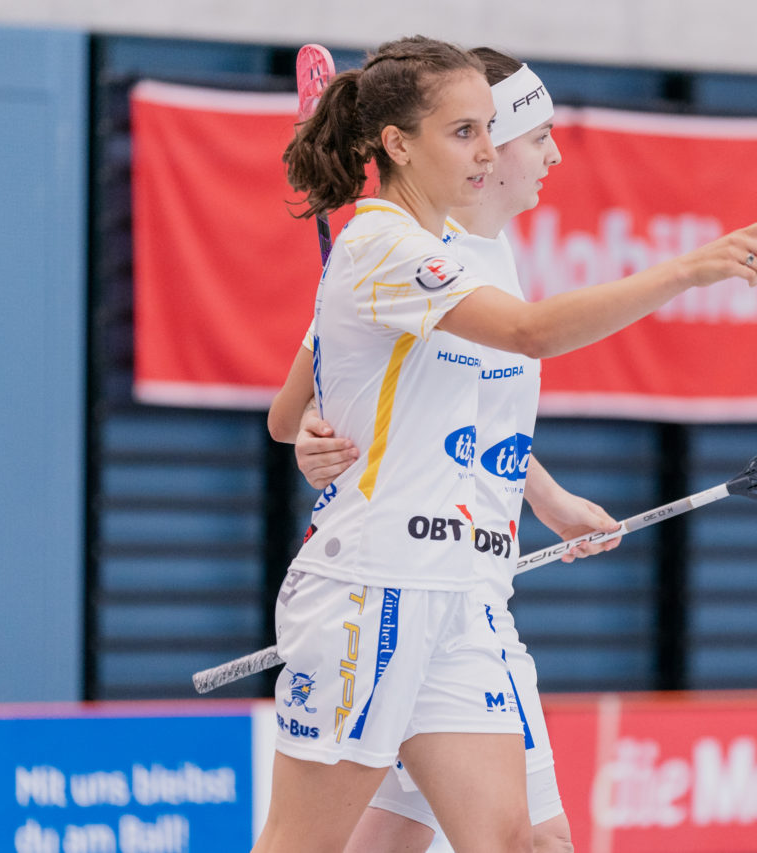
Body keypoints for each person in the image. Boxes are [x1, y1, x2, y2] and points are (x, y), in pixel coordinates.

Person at [258, 34, 757, 853]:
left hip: (459, 597)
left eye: (488, 129)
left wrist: (544, 496)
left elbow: (410, 408)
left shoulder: (455, 253)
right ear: (399, 143)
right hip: (374, 585)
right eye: (466, 132)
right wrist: (686, 271)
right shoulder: (379, 246)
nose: (492, 149)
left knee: (523, 843)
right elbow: (529, 333)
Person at [268, 49, 617, 853]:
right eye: (531, 135)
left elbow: (461, 416)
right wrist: (316, 428)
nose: (549, 155)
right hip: (392, 581)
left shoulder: (491, 254)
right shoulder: (407, 251)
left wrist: (547, 497)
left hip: (466, 593)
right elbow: (298, 407)